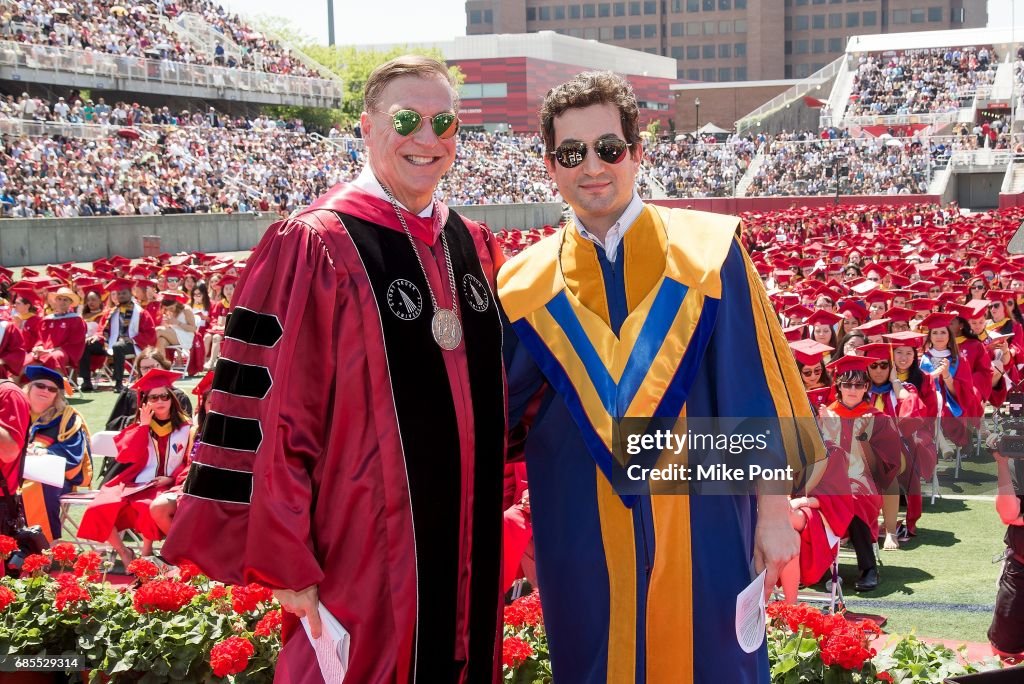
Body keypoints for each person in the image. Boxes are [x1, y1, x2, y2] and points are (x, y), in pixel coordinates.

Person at [164, 55, 507, 684]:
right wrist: (286, 561)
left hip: (469, 551)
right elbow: (266, 412)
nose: (427, 138)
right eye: (407, 118)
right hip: (359, 553)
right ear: (367, 126)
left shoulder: (470, 241)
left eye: (444, 122)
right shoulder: (316, 244)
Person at [497, 71, 825, 683]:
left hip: (705, 514)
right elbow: (490, 414)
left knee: (715, 661)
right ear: (551, 166)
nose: (592, 166)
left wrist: (774, 513)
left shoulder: (708, 253)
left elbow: (750, 385)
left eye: (608, 148)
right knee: (595, 661)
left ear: (636, 154)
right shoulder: (523, 286)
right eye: (572, 153)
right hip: (580, 524)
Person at [77, 369, 192, 566]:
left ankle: (146, 553)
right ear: (145, 402)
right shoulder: (138, 426)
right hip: (135, 481)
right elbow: (127, 455)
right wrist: (144, 426)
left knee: (146, 506)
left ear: (172, 398)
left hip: (168, 484)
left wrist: (171, 478)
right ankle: (124, 552)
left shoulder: (187, 428)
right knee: (99, 507)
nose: (160, 401)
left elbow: (189, 462)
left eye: (164, 395)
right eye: (153, 397)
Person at [20, 365, 91, 541]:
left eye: (52, 389)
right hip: (15, 474)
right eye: (40, 386)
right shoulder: (16, 413)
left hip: (54, 479)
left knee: (35, 486)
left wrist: (41, 452)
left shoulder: (67, 418)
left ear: (57, 395)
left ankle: (42, 546)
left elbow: (73, 456)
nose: (45, 391)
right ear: (29, 388)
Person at [78, 279, 157, 393]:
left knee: (118, 347)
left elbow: (150, 333)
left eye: (124, 293)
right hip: (110, 342)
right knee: (87, 344)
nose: (121, 296)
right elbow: (102, 329)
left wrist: (133, 339)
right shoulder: (111, 312)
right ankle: (86, 381)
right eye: (119, 294)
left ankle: (119, 383)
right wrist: (97, 336)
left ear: (131, 293)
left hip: (132, 344)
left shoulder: (140, 312)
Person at [988, 445, 1024, 664]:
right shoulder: (1018, 460)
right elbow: (1009, 514)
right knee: (1005, 653)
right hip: (1020, 570)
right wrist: (1002, 463)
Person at [105, 348, 192, 432]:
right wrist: (137, 419)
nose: (149, 371)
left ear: (163, 366)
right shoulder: (130, 394)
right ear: (139, 370)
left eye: (154, 366)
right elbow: (112, 425)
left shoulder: (178, 396)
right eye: (145, 368)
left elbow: (187, 427)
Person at [31, 287, 87, 375]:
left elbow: (75, 342)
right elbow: (40, 339)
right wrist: (39, 347)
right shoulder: (47, 320)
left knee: (54, 357)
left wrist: (51, 350)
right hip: (46, 350)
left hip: (65, 352)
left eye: (65, 300)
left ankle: (60, 387)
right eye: (59, 299)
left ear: (70, 303)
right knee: (27, 360)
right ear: (55, 301)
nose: (62, 302)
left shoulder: (76, 320)